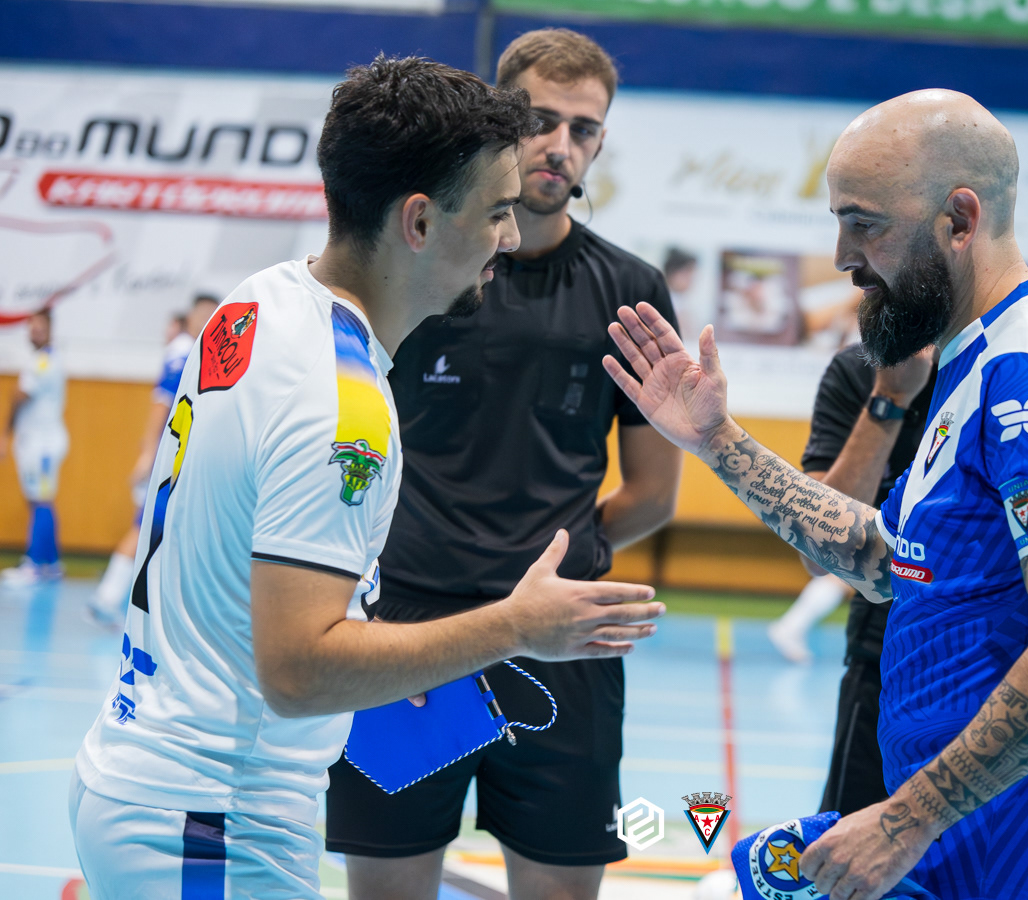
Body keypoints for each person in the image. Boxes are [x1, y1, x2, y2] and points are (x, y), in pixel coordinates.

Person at [69, 56, 664, 900]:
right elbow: (301, 671)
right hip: (211, 817)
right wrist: (515, 626)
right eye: (495, 212)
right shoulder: (344, 408)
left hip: (153, 778)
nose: (507, 237)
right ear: (419, 221)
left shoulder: (257, 302)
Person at [604, 89, 1028, 900]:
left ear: (959, 220)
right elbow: (884, 562)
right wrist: (717, 441)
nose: (842, 257)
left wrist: (905, 820)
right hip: (964, 839)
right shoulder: (981, 360)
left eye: (865, 224)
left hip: (1021, 852)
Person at [325, 30, 683, 900]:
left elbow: (651, 494)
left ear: (600, 141)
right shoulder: (418, 270)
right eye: (540, 120)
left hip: (566, 639)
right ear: (499, 120)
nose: (561, 145)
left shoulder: (631, 293)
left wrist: (556, 554)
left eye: (584, 129)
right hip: (405, 631)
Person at [768, 348, 934, 668]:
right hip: (882, 607)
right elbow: (820, 552)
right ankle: (791, 626)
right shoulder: (855, 370)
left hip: (968, 609)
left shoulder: (991, 362)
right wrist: (890, 398)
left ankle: (791, 625)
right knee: (841, 571)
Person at [88, 295, 219, 624]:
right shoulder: (183, 351)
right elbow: (161, 405)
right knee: (147, 524)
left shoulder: (201, 351)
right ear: (193, 317)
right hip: (170, 460)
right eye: (205, 314)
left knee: (166, 528)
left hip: (185, 459)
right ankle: (106, 598)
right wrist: (148, 454)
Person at [1, 308, 67, 586]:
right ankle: (51, 563)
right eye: (32, 327)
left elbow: (21, 395)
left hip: (42, 445)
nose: (35, 331)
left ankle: (35, 564)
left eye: (40, 327)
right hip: (39, 442)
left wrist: (4, 433)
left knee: (40, 500)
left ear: (50, 330)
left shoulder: (42, 363)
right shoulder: (42, 359)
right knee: (40, 499)